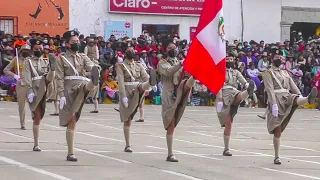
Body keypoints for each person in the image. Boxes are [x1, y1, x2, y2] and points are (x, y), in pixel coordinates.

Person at [262, 55, 317, 165]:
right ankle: (276, 156)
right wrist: (273, 104)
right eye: (277, 57)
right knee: (277, 130)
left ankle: (307, 98)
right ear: (272, 60)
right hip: (276, 99)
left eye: (281, 58)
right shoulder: (268, 73)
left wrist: (300, 95)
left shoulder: (285, 73)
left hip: (286, 96)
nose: (279, 60)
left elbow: (293, 86)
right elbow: (269, 89)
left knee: (294, 98)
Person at [56, 30, 100, 162]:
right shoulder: (61, 59)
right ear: (67, 44)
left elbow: (90, 65)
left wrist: (95, 68)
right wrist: (61, 95)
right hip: (69, 89)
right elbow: (59, 78)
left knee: (86, 85)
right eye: (73, 42)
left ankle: (93, 82)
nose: (77, 43)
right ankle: (70, 153)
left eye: (78, 41)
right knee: (72, 119)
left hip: (81, 85)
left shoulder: (83, 57)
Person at [157, 39, 195, 162]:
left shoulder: (180, 61)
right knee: (171, 124)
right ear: (165, 50)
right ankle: (170, 153)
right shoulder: (162, 63)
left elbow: (185, 73)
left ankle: (195, 77)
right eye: (169, 48)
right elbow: (168, 72)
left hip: (180, 90)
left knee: (189, 80)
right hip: (169, 94)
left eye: (174, 47)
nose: (172, 49)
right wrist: (181, 64)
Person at [116, 46, 157, 153]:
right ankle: (127, 144)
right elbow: (120, 82)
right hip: (128, 91)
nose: (132, 52)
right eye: (129, 51)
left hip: (138, 89)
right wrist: (123, 95)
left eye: (133, 51)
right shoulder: (120, 66)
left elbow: (144, 75)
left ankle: (150, 83)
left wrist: (151, 83)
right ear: (125, 53)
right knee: (127, 119)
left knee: (142, 85)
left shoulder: (139, 65)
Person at [216, 53, 255, 157]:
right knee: (228, 123)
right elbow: (218, 85)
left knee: (239, 95)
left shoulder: (236, 72)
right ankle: (226, 148)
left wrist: (247, 85)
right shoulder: (220, 70)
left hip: (234, 92)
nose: (230, 60)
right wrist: (219, 99)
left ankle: (248, 91)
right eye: (228, 59)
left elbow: (242, 80)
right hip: (224, 94)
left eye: (231, 59)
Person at [22, 39, 56, 151]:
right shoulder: (28, 61)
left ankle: (53, 69)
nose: (39, 50)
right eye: (36, 49)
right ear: (32, 50)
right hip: (35, 88)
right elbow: (27, 77)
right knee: (37, 116)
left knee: (49, 76)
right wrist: (30, 91)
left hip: (46, 86)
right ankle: (36, 143)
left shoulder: (45, 61)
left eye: (40, 48)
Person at [3, 44, 31, 130]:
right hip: (21, 83)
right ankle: (22, 123)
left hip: (31, 83)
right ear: (21, 51)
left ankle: (35, 121)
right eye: (24, 50)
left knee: (34, 104)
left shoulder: (31, 60)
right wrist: (14, 75)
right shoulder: (16, 60)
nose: (26, 52)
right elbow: (6, 70)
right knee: (22, 105)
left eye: (28, 51)